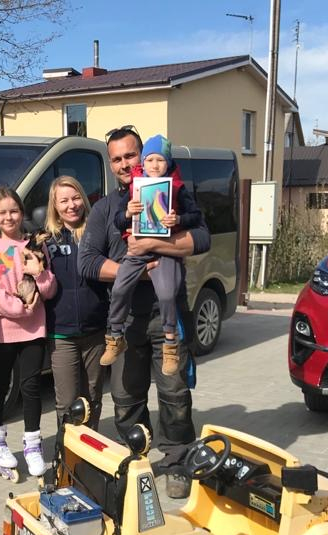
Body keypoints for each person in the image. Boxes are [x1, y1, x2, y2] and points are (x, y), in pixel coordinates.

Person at [79, 127, 211, 499]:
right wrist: (131, 270)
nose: (125, 164)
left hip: (167, 313)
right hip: (126, 321)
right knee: (125, 397)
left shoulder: (175, 193)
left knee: (174, 393)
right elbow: (87, 262)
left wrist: (153, 244)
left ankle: (177, 461)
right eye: (117, 159)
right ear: (111, 164)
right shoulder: (106, 208)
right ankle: (135, 459)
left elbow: (202, 238)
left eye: (130, 155)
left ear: (147, 156)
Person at [103, 134, 203, 375]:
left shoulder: (177, 187)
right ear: (144, 163)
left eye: (160, 160)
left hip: (165, 257)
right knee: (119, 288)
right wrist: (127, 213)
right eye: (150, 160)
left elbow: (197, 221)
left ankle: (171, 344)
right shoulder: (135, 189)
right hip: (137, 258)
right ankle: (115, 336)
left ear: (168, 162)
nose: (155, 165)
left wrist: (178, 220)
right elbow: (118, 222)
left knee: (167, 293)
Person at [0, 187, 56, 477]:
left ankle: (33, 446)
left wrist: (40, 276)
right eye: (2, 212)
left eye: (14, 211)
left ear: (22, 213)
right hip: (4, 330)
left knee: (31, 387)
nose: (8, 217)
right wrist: (23, 308)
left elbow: (49, 287)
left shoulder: (35, 245)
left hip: (34, 330)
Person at [39, 175, 108, 430]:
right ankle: (66, 450)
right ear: (55, 206)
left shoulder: (96, 234)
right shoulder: (45, 240)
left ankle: (91, 446)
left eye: (76, 198)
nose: (71, 205)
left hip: (96, 331)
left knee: (93, 397)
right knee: (67, 403)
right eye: (64, 201)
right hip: (61, 334)